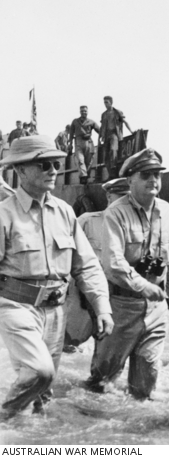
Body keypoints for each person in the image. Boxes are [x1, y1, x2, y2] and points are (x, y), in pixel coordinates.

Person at [0, 135, 113, 418]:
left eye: (55, 164)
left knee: (44, 395)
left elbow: (86, 265)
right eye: (43, 165)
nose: (53, 170)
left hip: (56, 309)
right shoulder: (4, 214)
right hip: (17, 307)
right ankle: (4, 419)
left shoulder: (64, 212)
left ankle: (33, 442)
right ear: (21, 170)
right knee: (41, 372)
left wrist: (101, 307)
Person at [86, 148, 169, 399]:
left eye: (157, 175)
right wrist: (144, 286)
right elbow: (114, 263)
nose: (153, 180)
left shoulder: (166, 210)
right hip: (122, 305)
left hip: (156, 308)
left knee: (146, 383)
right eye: (145, 175)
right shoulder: (116, 212)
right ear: (130, 181)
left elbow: (168, 254)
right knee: (102, 381)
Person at [63, 178, 130, 352]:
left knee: (108, 349)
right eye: (121, 196)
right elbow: (65, 255)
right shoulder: (87, 220)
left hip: (116, 298)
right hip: (83, 295)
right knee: (69, 343)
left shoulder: (133, 228)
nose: (126, 201)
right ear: (109, 196)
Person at [100, 96, 133, 178]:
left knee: (113, 150)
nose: (105, 104)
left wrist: (131, 131)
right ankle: (110, 174)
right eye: (104, 102)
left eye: (106, 102)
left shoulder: (117, 112)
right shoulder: (103, 114)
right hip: (106, 136)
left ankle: (114, 169)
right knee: (105, 157)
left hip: (114, 134)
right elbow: (102, 127)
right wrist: (99, 138)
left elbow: (125, 122)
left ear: (111, 102)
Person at [69, 106, 100, 184]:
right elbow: (71, 133)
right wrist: (70, 144)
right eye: (82, 111)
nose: (84, 113)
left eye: (85, 111)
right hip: (78, 142)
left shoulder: (91, 122)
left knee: (88, 161)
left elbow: (100, 131)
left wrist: (102, 138)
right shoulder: (75, 121)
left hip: (89, 142)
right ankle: (83, 177)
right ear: (80, 112)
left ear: (87, 112)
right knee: (80, 160)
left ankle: (85, 177)